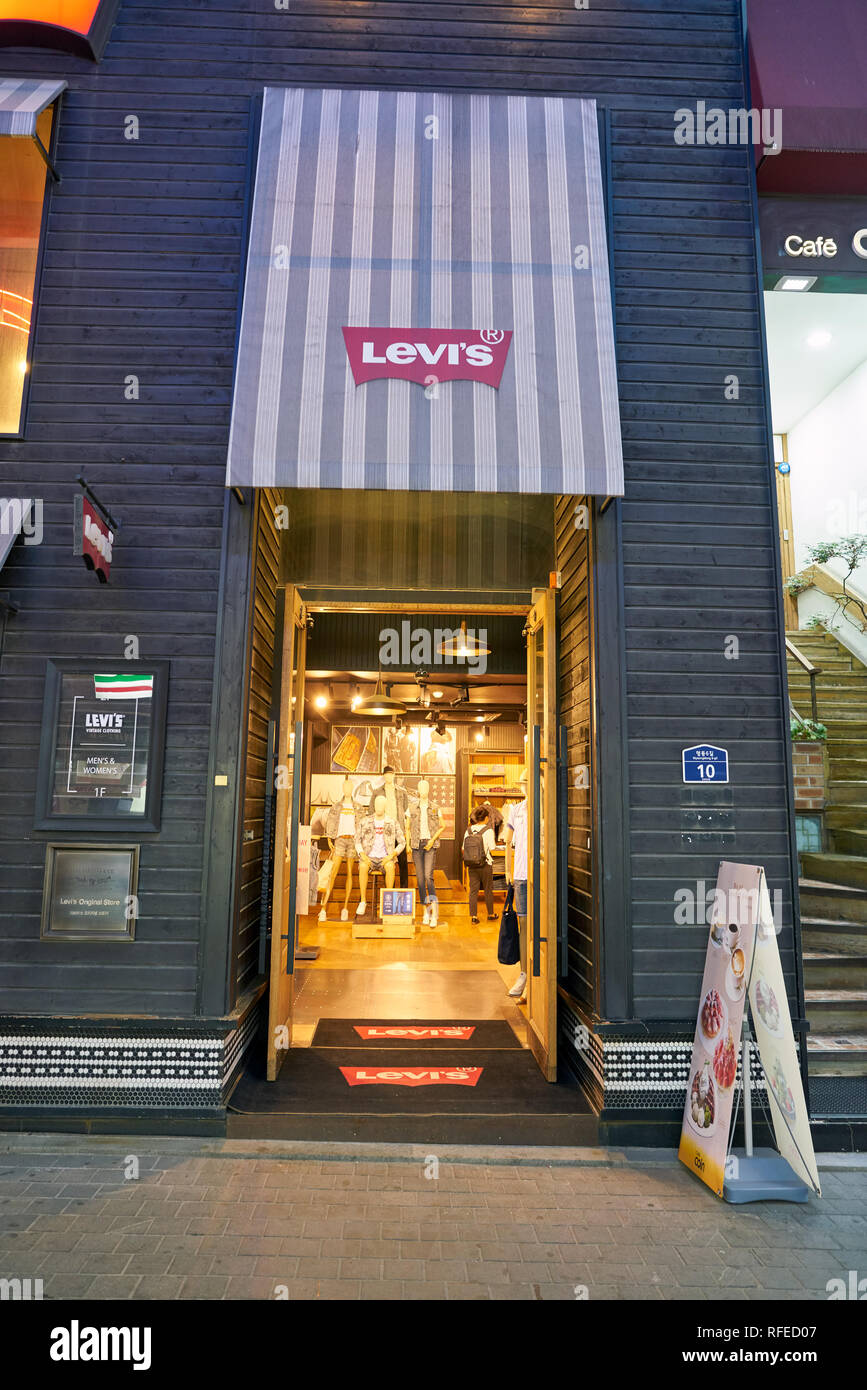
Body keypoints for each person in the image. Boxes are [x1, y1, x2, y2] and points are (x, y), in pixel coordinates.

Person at [504, 774, 528, 1000]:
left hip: (538, 875)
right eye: (524, 784)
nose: (526, 788)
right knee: (523, 924)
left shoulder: (542, 808)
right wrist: (508, 870)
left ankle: (535, 978)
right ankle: (524, 973)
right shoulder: (516, 809)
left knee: (538, 926)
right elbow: (508, 841)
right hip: (520, 875)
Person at [462, 806, 496, 924]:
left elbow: (463, 848)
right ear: (486, 818)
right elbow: (492, 848)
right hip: (485, 864)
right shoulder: (488, 830)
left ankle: (474, 917)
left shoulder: (469, 830)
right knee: (488, 890)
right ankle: (490, 914)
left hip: (471, 864)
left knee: (473, 891)